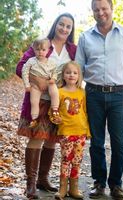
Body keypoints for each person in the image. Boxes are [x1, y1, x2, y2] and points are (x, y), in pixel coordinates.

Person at [75, 0, 123, 199]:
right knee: (96, 142)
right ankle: (99, 183)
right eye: (96, 9)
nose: (100, 12)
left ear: (112, 9)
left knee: (119, 143)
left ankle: (116, 184)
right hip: (93, 94)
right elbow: (78, 68)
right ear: (92, 12)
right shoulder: (85, 37)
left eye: (104, 8)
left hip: (119, 94)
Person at [16, 13, 76, 199]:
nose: (64, 29)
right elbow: (21, 66)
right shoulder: (42, 44)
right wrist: (38, 81)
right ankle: (31, 184)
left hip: (58, 102)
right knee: (36, 138)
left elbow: (77, 71)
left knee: (51, 140)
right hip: (38, 100)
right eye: (61, 24)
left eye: (68, 26)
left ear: (71, 30)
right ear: (55, 25)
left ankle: (43, 178)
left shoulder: (72, 49)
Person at [51, 61, 91, 200]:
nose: (71, 75)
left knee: (77, 160)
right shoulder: (60, 92)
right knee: (66, 159)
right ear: (63, 75)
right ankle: (62, 188)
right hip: (66, 132)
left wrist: (88, 131)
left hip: (80, 132)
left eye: (75, 73)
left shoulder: (82, 92)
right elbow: (53, 110)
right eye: (68, 72)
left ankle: (74, 188)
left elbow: (85, 112)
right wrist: (54, 118)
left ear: (79, 76)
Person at [22, 38, 61, 128]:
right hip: (35, 85)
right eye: (38, 49)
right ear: (34, 49)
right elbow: (24, 71)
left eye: (43, 50)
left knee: (54, 91)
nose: (40, 52)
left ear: (47, 50)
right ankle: (34, 119)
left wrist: (53, 79)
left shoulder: (51, 62)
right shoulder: (31, 61)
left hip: (48, 82)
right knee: (34, 101)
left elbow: (55, 71)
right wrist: (27, 85)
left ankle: (55, 110)